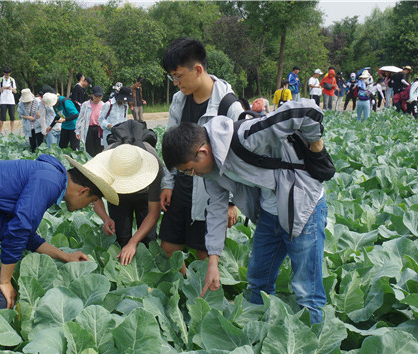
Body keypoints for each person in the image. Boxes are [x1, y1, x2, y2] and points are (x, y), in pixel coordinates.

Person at [161, 99, 329, 324]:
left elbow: (305, 110)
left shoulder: (247, 137)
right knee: (257, 283)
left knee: (308, 292)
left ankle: (311, 348)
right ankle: (257, 335)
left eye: (189, 170)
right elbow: (217, 210)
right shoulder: (211, 171)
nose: (192, 175)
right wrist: (213, 263)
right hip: (270, 214)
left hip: (303, 207)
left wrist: (316, 147)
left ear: (202, 152)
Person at [0, 151, 128, 333]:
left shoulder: (50, 176)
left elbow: (26, 233)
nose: (86, 207)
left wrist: (64, 256)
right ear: (83, 191)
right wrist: (4, 281)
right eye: (91, 202)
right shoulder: (50, 181)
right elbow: (19, 230)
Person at [158, 37, 243, 272]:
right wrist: (168, 183)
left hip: (210, 189)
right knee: (168, 244)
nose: (175, 83)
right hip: (183, 183)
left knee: (204, 250)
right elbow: (171, 143)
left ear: (197, 69)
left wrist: (231, 201)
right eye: (171, 77)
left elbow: (239, 156)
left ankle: (205, 295)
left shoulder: (229, 106)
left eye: (178, 76)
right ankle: (190, 285)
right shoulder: (179, 100)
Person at [90, 141, 163, 265]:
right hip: (117, 194)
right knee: (121, 237)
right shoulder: (102, 165)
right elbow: (93, 196)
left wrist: (133, 242)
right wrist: (106, 218)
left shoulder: (154, 165)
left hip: (145, 193)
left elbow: (154, 212)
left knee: (149, 240)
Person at [76, 85, 105, 157]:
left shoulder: (103, 105)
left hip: (99, 129)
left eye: (100, 97)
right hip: (89, 128)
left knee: (99, 149)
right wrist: (77, 131)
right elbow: (80, 118)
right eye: (96, 96)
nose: (98, 98)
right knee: (89, 149)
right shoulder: (86, 105)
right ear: (92, 95)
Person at [0, 67, 18, 135]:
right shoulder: (0, 80)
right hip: (3, 100)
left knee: (12, 116)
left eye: (8, 74)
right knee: (2, 117)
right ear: (3, 73)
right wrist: (2, 88)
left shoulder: (12, 80)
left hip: (11, 100)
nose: (7, 75)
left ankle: (12, 131)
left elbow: (15, 91)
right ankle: (0, 131)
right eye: (6, 74)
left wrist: (11, 88)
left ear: (10, 73)